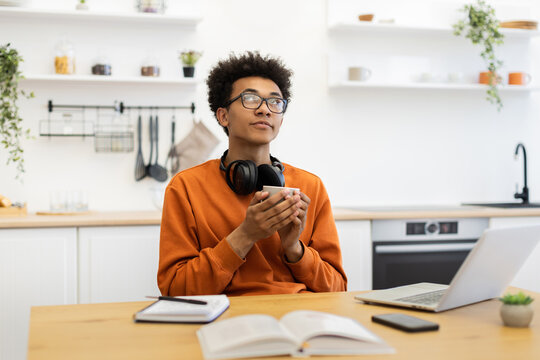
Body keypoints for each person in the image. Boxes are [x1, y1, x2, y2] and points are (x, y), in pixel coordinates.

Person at [158, 51, 347, 296]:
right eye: (250, 99)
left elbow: (337, 289)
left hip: (299, 317)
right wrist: (245, 235)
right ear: (223, 115)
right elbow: (175, 290)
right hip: (224, 318)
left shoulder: (311, 186)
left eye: (275, 102)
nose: (265, 110)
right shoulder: (186, 187)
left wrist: (293, 248)